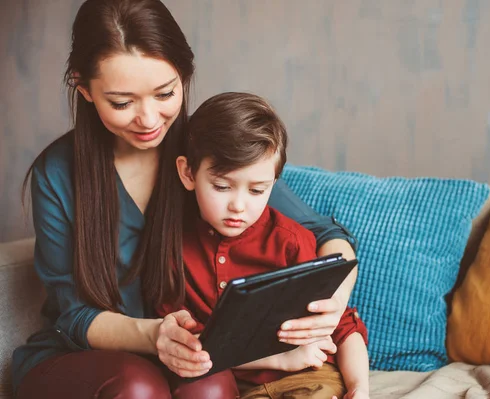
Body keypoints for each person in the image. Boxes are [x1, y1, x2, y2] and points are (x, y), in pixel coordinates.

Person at [13, 1, 358, 398]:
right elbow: (72, 316)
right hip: (81, 355)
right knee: (138, 387)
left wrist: (335, 298)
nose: (149, 119)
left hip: (189, 354)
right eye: (122, 103)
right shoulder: (57, 175)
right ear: (84, 88)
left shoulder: (207, 153)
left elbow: (325, 233)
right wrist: (155, 334)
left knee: (209, 387)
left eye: (165, 93)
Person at [159, 92, 370, 399]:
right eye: (221, 186)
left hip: (308, 378)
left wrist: (360, 388)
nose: (238, 206)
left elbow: (344, 326)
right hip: (234, 385)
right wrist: (281, 358)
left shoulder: (291, 242)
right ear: (188, 173)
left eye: (257, 190)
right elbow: (193, 349)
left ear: (274, 182)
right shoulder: (172, 249)